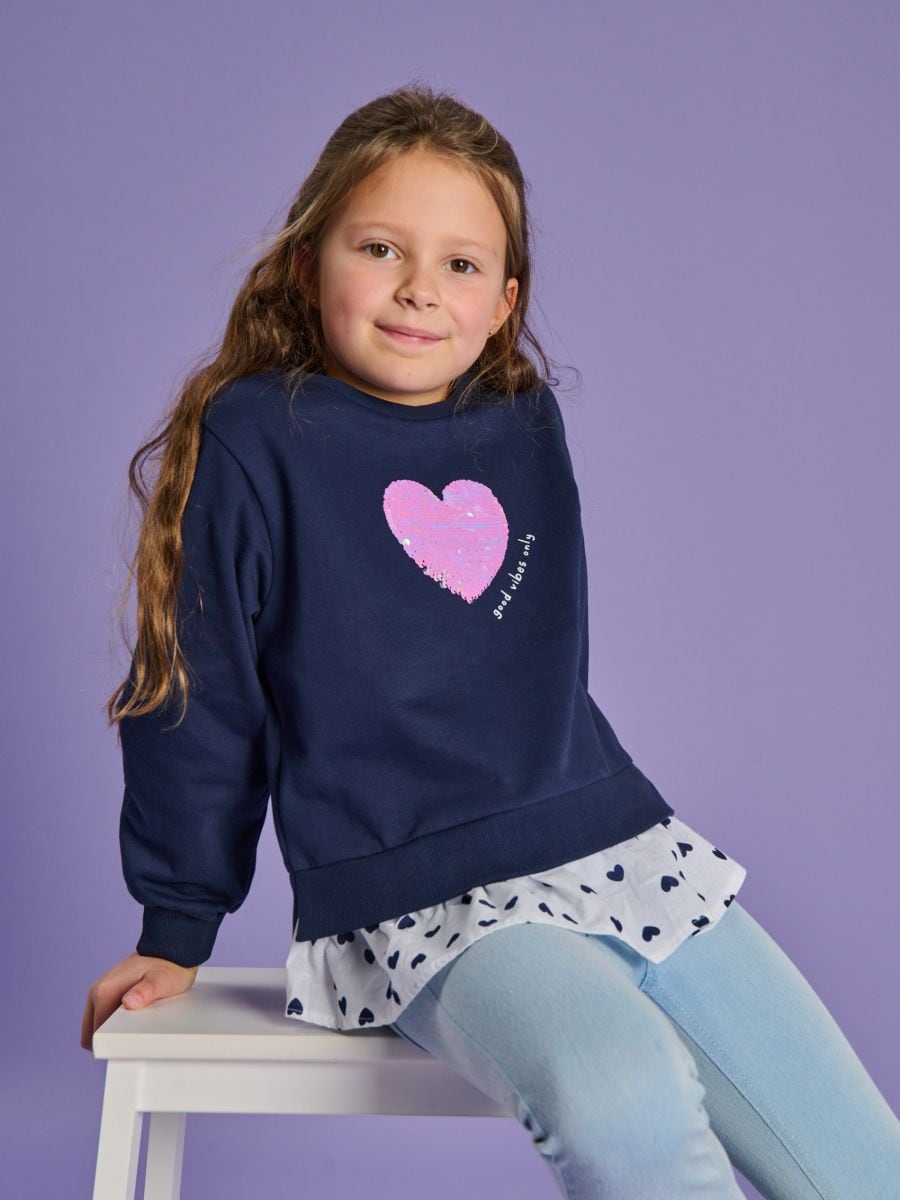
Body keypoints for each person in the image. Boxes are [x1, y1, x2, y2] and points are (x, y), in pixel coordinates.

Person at [81, 83, 900, 1198]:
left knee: (863, 1165)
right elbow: (199, 693)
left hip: (614, 843)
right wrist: (177, 924)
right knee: (625, 1097)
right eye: (380, 248)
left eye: (462, 264)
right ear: (308, 264)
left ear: (505, 300)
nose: (420, 288)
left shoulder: (522, 422)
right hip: (419, 890)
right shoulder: (257, 437)